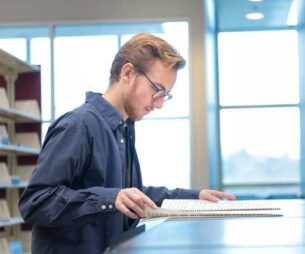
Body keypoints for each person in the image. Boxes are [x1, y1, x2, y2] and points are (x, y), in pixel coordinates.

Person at [19, 33, 235, 254]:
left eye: (165, 95)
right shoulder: (79, 125)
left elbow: (131, 195)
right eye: (157, 90)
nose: (159, 104)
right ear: (127, 72)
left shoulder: (124, 128)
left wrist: (193, 197)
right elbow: (36, 202)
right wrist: (110, 198)